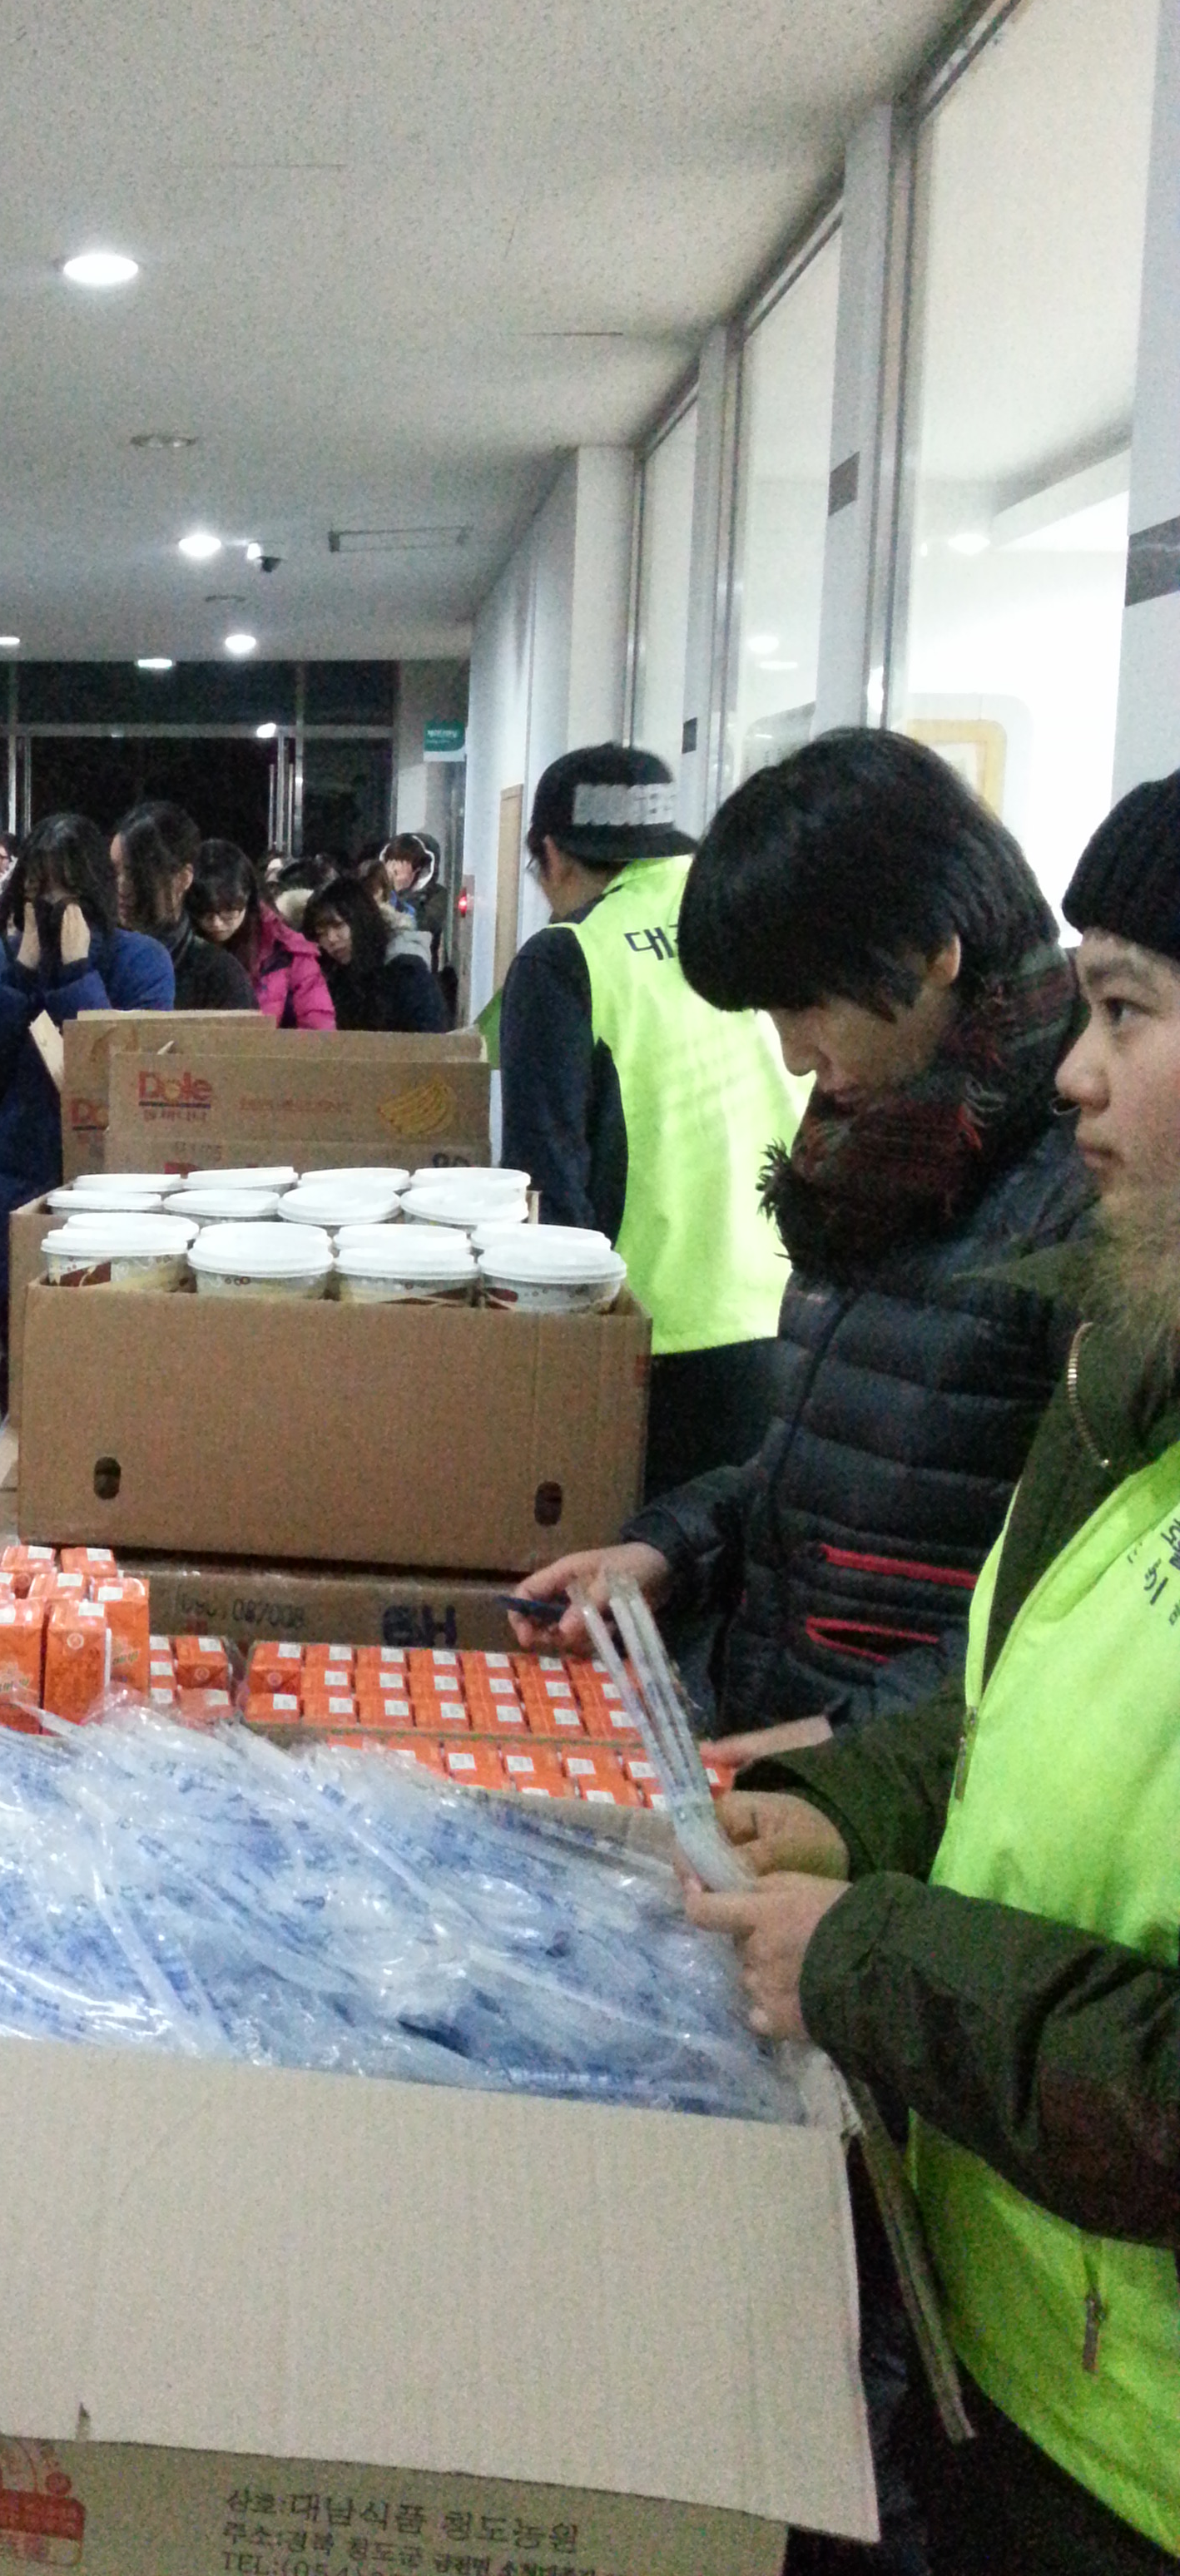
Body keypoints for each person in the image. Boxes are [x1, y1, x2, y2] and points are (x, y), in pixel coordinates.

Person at [688, 769, 1180, 2576]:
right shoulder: (1123, 1354)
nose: (1079, 1075)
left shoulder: (1062, 1245)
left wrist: (873, 1955)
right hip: (1023, 2333)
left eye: (1131, 1012)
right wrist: (843, 1799)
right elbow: (1021, 1694)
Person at [510, 731, 1092, 1748]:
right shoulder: (873, 1155)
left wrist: (841, 1753)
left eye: (804, 1005)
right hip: (792, 1763)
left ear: (934, 949)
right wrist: (668, 1551)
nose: (791, 1056)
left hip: (900, 1803)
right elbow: (817, 1482)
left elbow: (1068, 1620)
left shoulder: (1077, 1205)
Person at [499, 744, 806, 1495]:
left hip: (650, 1343)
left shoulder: (567, 958)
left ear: (551, 855)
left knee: (645, 1559)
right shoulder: (757, 924)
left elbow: (546, 1187)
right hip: (797, 1321)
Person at [0, 814, 175, 1392]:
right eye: (37, 889)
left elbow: (125, 1082)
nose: (50, 905)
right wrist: (20, 979)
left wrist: (77, 975)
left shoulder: (143, 961)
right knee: (23, 1367)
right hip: (18, 1184)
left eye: (67, 890)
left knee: (109, 1369)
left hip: (112, 1194)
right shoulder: (2, 961)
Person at [112, 802, 258, 1011]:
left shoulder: (219, 977)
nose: (121, 886)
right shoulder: (95, 957)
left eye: (136, 874)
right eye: (114, 871)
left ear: (183, 878)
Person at [187, 839, 335, 1029]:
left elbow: (318, 1027)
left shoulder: (286, 951)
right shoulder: (178, 947)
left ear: (248, 899)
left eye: (229, 913)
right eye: (205, 914)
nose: (216, 924)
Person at [303, 874, 449, 1030]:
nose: (331, 939)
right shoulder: (329, 975)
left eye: (338, 926)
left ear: (360, 920)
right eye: (321, 933)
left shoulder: (407, 973)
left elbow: (430, 1035)